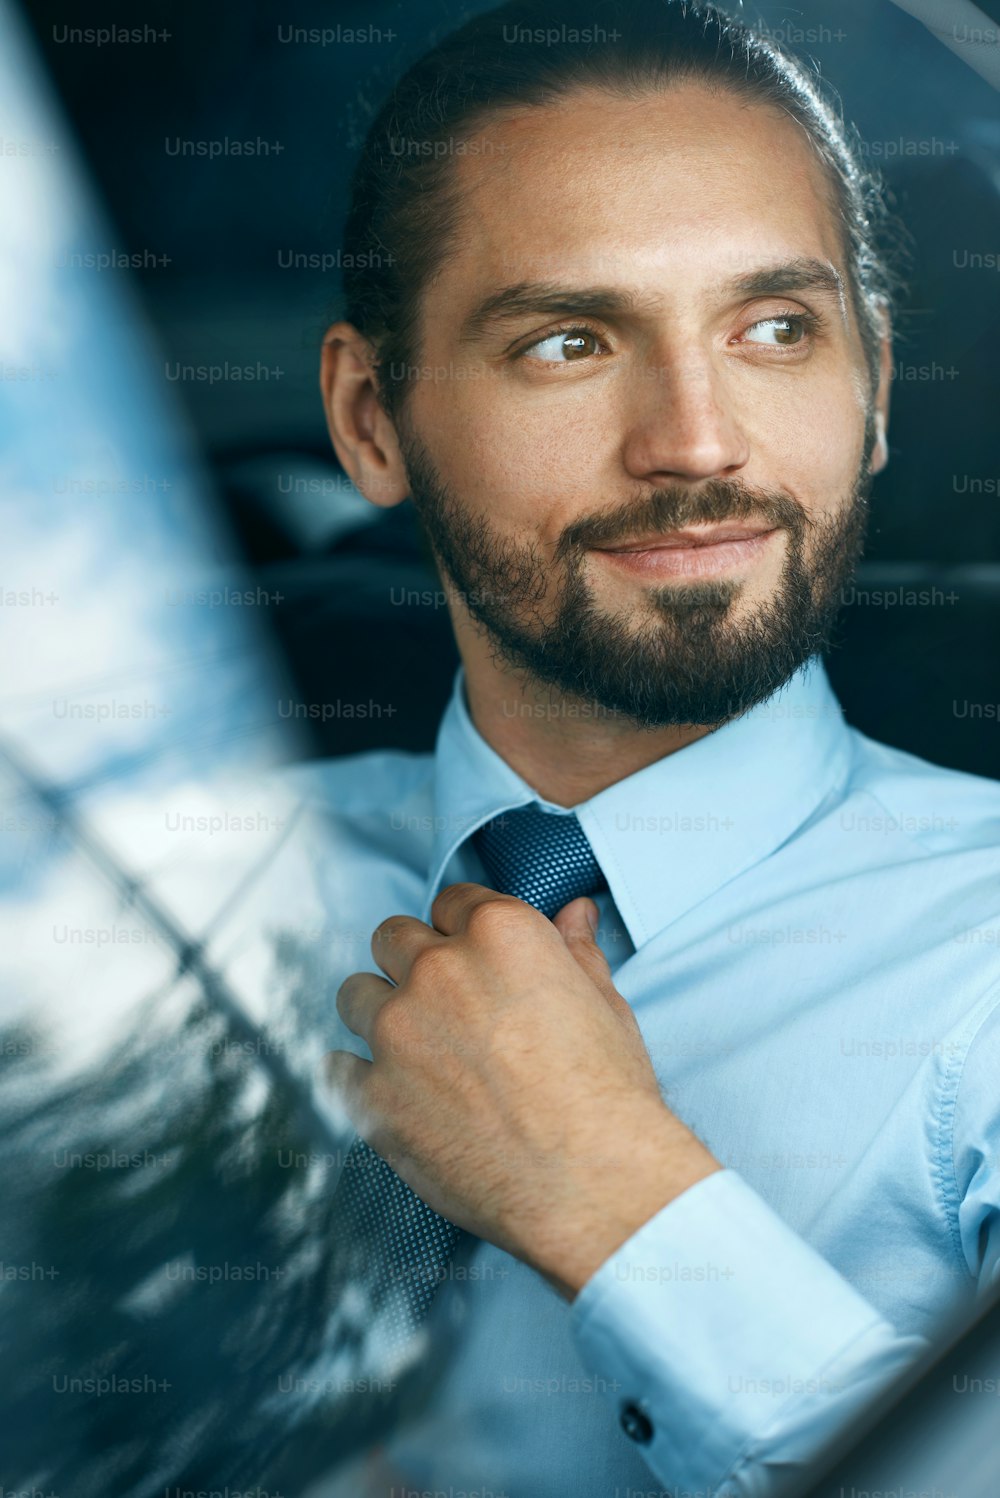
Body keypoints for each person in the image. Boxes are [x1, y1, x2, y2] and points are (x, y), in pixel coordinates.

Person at [299, 1, 1000, 1493]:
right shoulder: (150, 878)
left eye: (774, 332)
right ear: (372, 419)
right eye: (569, 340)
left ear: (873, 391)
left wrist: (617, 1194)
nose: (696, 440)